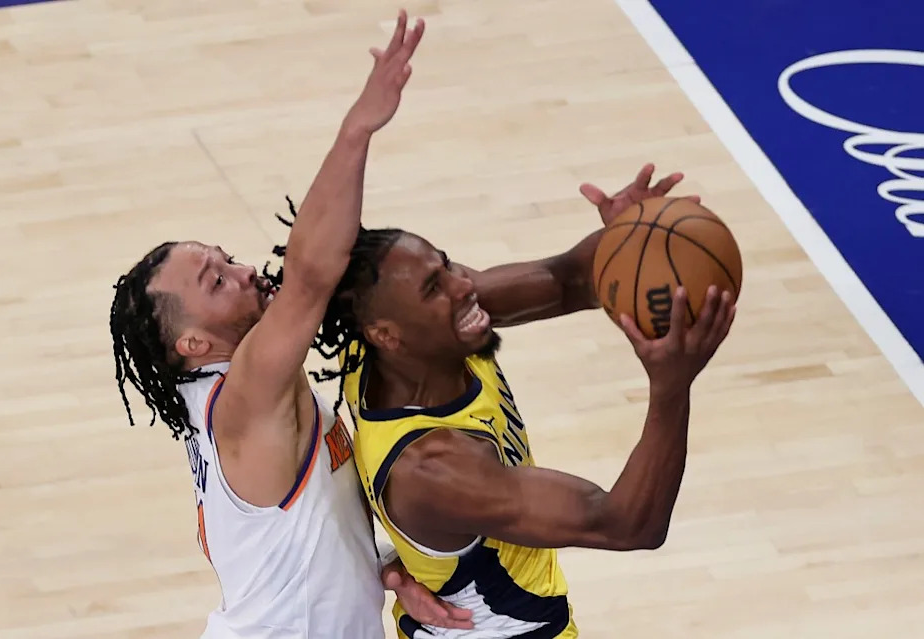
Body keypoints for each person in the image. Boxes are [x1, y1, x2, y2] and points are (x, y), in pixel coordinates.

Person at [108, 11, 475, 638]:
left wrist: (385, 568)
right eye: (217, 281)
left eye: (226, 258)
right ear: (193, 343)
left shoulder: (233, 400)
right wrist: (357, 129)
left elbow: (304, 531)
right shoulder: (246, 396)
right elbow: (311, 275)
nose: (245, 271)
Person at [294, 166, 738, 638]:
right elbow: (628, 525)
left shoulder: (409, 332)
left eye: (446, 266)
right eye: (433, 288)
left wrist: (628, 240)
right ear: (386, 334)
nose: (463, 285)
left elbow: (566, 281)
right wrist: (671, 388)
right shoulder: (434, 468)